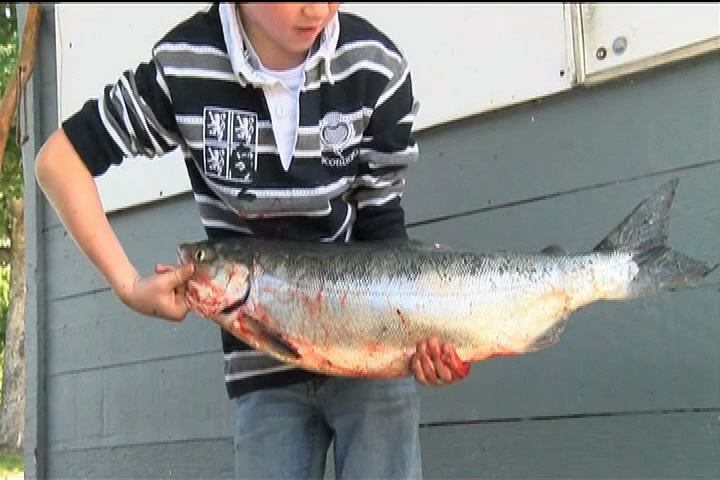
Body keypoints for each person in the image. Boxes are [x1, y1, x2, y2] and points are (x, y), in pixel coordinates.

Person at [35, 3, 471, 478]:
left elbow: (383, 228)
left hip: (373, 361)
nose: (317, 9)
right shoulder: (184, 65)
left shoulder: (377, 67)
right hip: (259, 367)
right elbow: (59, 161)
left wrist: (422, 338)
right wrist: (127, 284)